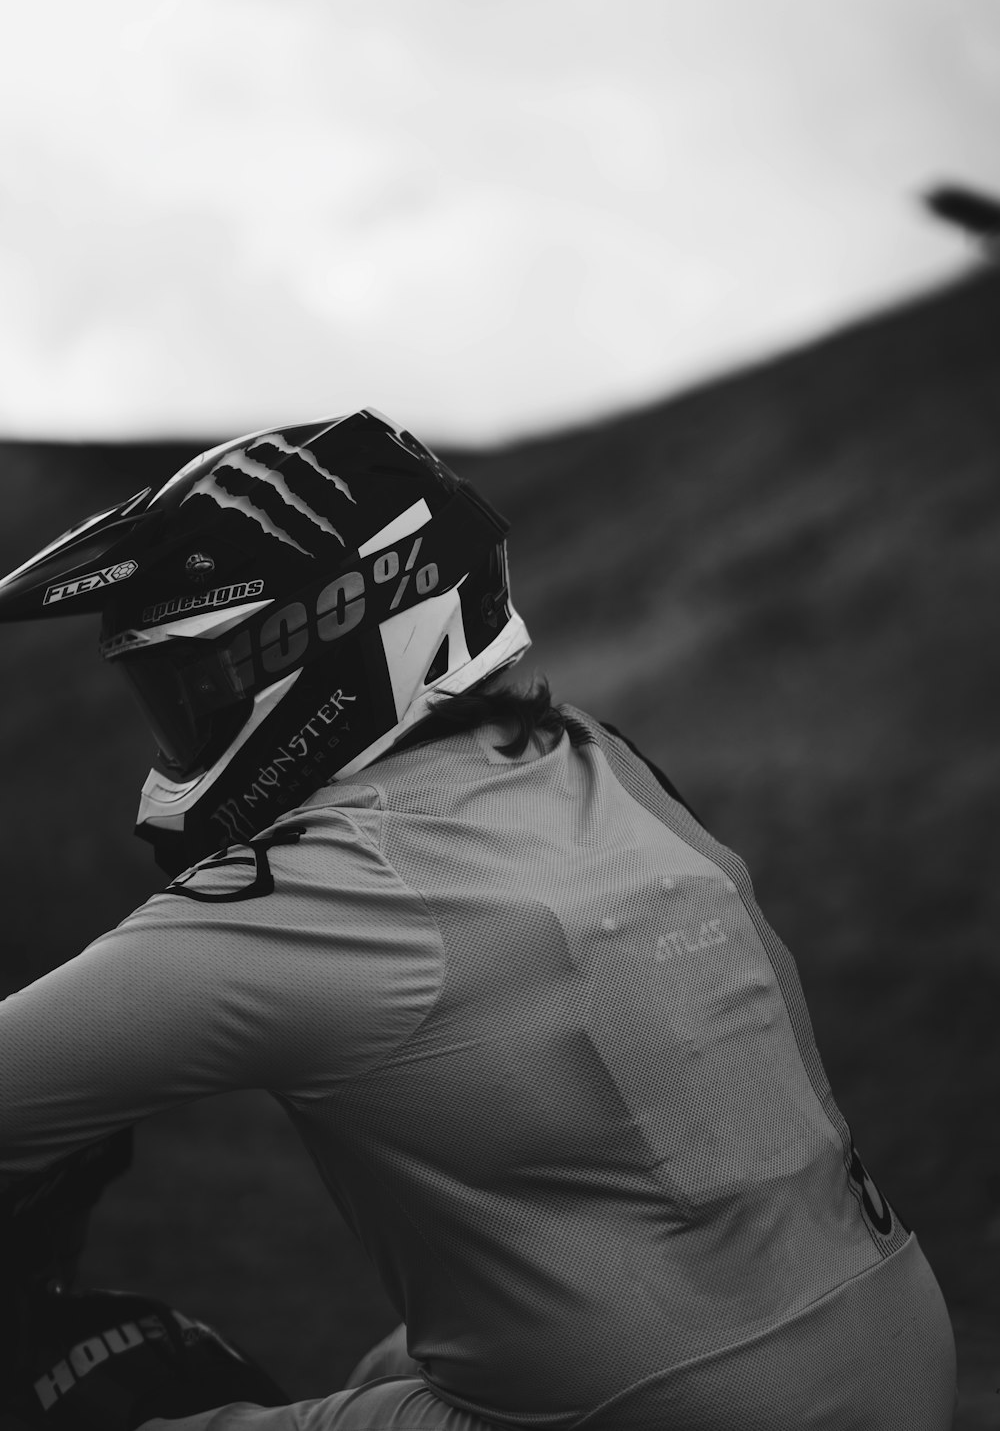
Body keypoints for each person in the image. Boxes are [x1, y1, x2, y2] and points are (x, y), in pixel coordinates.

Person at [0, 408, 958, 1430]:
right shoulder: (599, 760)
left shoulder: (329, 882)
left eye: (187, 686)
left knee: (90, 1389)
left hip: (664, 1409)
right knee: (386, 1366)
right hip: (898, 1347)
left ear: (314, 633)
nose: (177, 727)